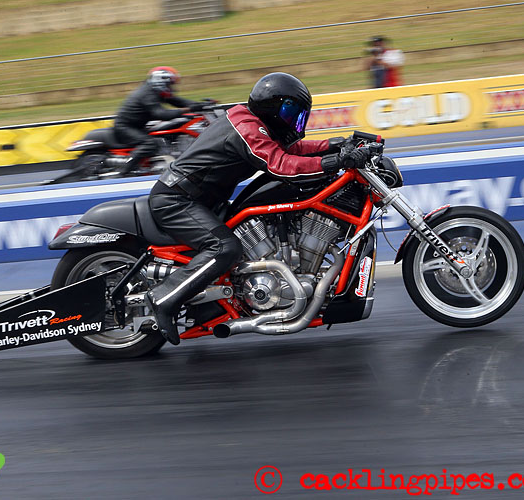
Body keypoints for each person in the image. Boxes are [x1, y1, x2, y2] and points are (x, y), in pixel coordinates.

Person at [145, 72, 372, 344]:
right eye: (290, 113)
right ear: (272, 107)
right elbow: (281, 164)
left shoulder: (254, 123)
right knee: (224, 248)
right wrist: (335, 161)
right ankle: (163, 299)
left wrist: (336, 145)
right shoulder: (246, 127)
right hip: (178, 200)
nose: (294, 121)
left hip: (204, 200)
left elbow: (292, 149)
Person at [113, 66, 204, 175]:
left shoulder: (155, 91)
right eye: (169, 84)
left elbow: (176, 101)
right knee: (150, 143)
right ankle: (123, 172)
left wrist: (200, 105)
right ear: (160, 81)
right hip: (125, 127)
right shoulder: (147, 94)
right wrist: (187, 110)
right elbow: (161, 114)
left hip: (137, 125)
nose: (171, 87)